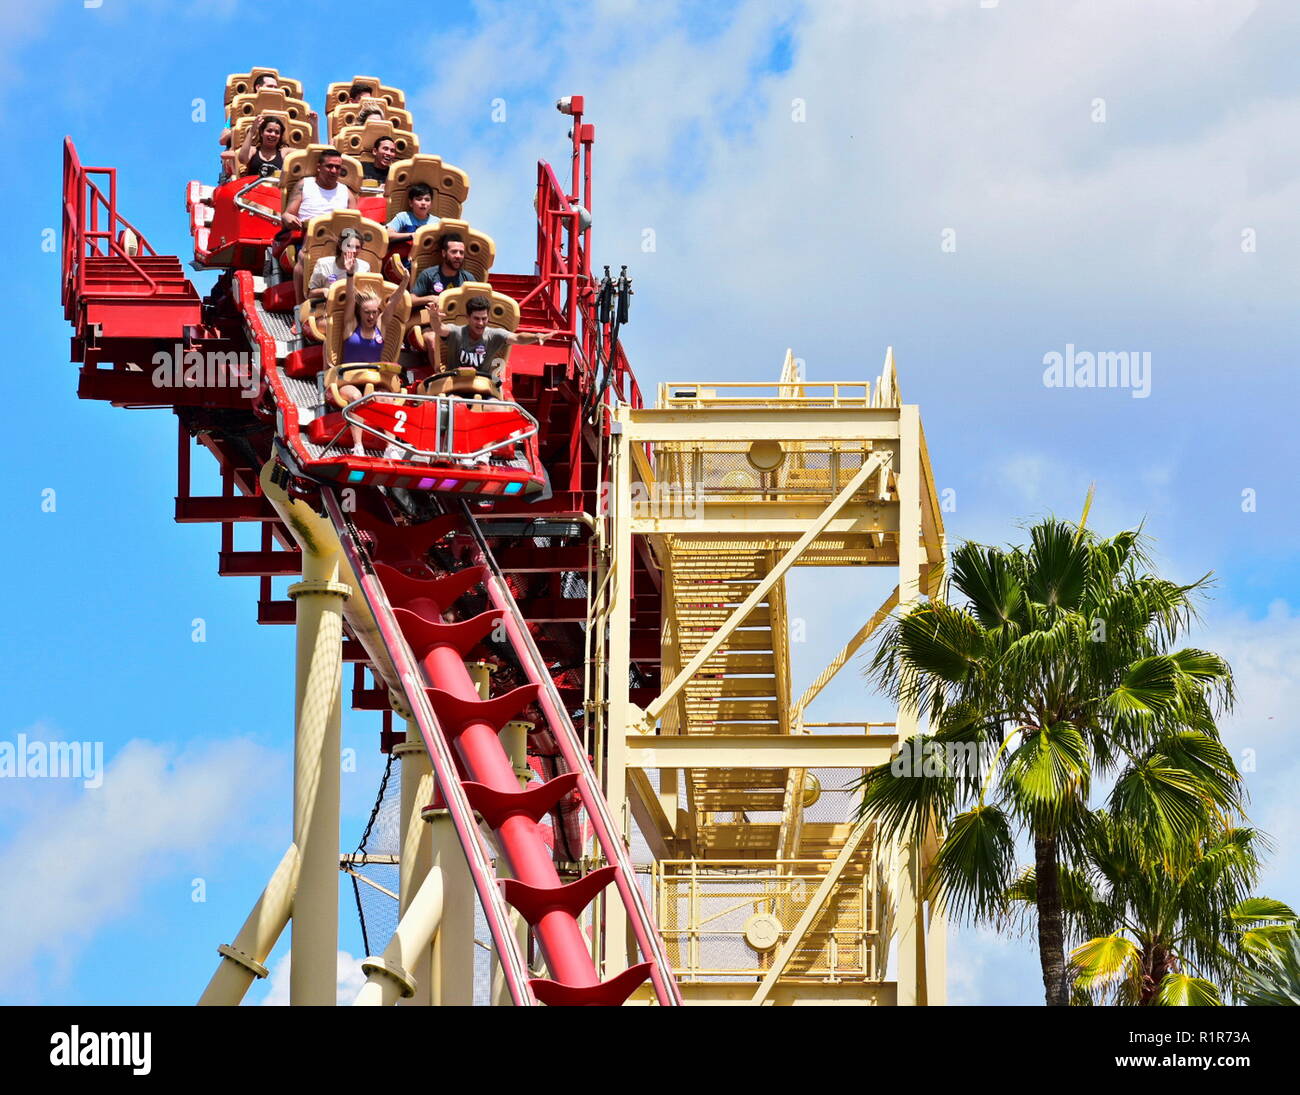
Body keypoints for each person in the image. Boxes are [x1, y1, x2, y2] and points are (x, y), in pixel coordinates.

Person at [331, 267, 410, 455]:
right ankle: (358, 446)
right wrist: (350, 275)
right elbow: (350, 299)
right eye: (367, 312)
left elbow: (394, 302)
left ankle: (390, 448)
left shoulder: (380, 326)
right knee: (357, 398)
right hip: (348, 381)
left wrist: (405, 281)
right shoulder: (351, 326)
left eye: (374, 312)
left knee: (387, 399)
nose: (371, 316)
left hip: (373, 381)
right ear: (361, 312)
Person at [283, 150, 359, 303]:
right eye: (329, 166)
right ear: (319, 167)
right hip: (310, 237)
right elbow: (287, 215)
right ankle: (300, 308)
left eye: (337, 167)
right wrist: (289, 218)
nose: (334, 171)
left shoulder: (346, 192)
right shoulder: (304, 185)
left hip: (340, 240)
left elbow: (355, 223)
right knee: (304, 258)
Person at [220, 73, 278, 177]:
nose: (273, 90)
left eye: (275, 87)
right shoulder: (240, 110)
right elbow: (222, 140)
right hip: (244, 155)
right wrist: (241, 130)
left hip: (272, 155)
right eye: (270, 86)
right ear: (258, 87)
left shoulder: (281, 112)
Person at [412, 232, 477, 306]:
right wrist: (431, 298)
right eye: (454, 252)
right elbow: (411, 299)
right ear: (444, 253)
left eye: (461, 252)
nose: (458, 256)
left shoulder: (468, 278)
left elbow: (479, 302)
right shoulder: (428, 274)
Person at [307, 228, 371, 303]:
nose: (353, 251)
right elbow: (310, 294)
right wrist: (323, 291)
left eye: (357, 247)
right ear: (341, 246)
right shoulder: (323, 264)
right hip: (328, 305)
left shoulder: (365, 267)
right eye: (349, 246)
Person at [235, 114, 285, 179]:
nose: (273, 134)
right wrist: (251, 131)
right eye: (269, 131)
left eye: (277, 132)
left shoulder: (284, 152)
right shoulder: (253, 151)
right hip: (255, 188)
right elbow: (242, 159)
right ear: (261, 133)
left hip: (275, 188)